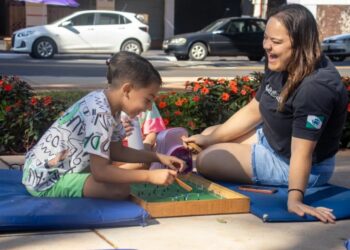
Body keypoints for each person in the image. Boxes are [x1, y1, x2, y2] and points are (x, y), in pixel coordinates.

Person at [183, 4, 348, 223]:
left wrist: (295, 199)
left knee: (206, 160)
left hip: (296, 163)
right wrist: (208, 138)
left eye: (277, 42)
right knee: (209, 135)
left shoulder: (316, 88)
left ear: (300, 44)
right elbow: (254, 109)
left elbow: (302, 153)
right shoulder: (279, 60)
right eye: (266, 38)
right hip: (272, 140)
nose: (267, 47)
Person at [22, 51, 185, 200]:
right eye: (148, 100)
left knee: (122, 181)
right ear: (127, 90)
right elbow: (100, 172)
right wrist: (149, 176)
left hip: (45, 170)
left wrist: (157, 157)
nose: (149, 107)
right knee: (119, 189)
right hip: (46, 179)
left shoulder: (107, 105)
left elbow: (117, 151)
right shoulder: (100, 113)